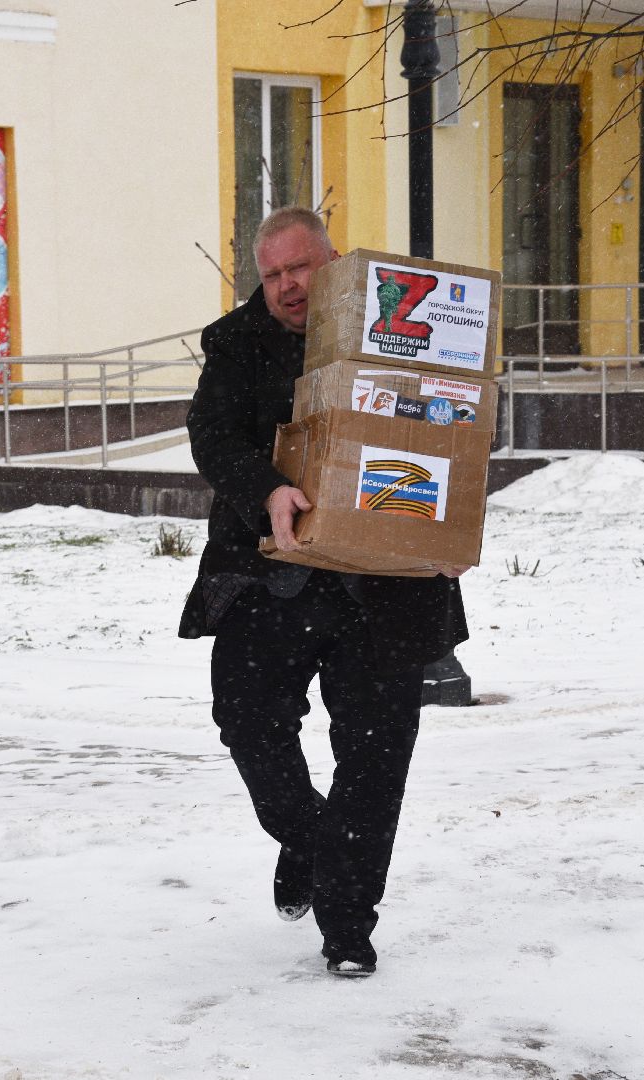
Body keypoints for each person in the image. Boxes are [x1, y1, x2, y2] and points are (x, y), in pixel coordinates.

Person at [179, 206, 469, 977]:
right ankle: (307, 838)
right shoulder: (237, 343)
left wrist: (448, 527)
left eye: (300, 267)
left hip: (387, 582)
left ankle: (348, 929)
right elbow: (213, 436)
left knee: (376, 757)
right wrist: (265, 488)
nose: (287, 286)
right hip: (272, 576)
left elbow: (455, 428)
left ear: (333, 260)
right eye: (273, 274)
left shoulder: (408, 324)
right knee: (247, 721)